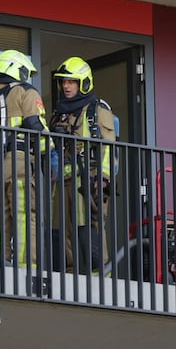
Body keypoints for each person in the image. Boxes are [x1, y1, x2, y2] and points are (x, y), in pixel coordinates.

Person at [0, 50, 49, 267]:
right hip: (18, 164)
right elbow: (35, 127)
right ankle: (24, 270)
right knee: (25, 217)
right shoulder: (25, 91)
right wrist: (50, 152)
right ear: (16, 69)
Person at [49, 56, 116, 273]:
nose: (66, 86)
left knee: (89, 231)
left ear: (83, 83)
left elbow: (109, 148)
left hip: (88, 181)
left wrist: (102, 180)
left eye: (71, 82)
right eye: (64, 82)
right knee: (62, 233)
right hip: (63, 182)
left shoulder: (97, 109)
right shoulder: (59, 113)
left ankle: (101, 281)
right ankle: (68, 279)